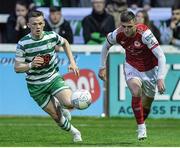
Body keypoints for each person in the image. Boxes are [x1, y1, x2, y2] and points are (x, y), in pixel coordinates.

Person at [14, 10, 82, 142]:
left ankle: (61, 105)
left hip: (53, 78)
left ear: (44, 23)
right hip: (36, 86)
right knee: (56, 117)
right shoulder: (23, 44)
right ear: (28, 25)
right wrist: (30, 65)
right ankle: (75, 132)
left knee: (70, 103)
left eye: (40, 23)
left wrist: (72, 62)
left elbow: (65, 42)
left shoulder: (51, 36)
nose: (37, 26)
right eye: (34, 24)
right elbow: (17, 68)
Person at [98, 11, 166, 140]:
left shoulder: (145, 34)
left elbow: (161, 56)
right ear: (120, 24)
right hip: (132, 66)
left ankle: (141, 121)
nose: (127, 30)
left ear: (135, 23)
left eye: (130, 26)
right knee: (136, 90)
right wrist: (102, 67)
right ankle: (141, 128)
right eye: (124, 26)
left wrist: (160, 78)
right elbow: (105, 47)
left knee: (147, 103)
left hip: (150, 69)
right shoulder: (117, 34)